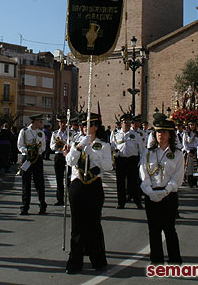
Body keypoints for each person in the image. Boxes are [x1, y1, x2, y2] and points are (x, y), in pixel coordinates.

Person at [64, 113, 112, 274]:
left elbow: (108, 166)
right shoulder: (76, 142)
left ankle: (98, 260)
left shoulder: (103, 145)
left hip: (93, 185)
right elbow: (70, 161)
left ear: (96, 127)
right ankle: (75, 262)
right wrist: (78, 148)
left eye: (89, 125)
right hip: (77, 185)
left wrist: (93, 154)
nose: (86, 128)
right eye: (84, 125)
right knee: (76, 226)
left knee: (93, 225)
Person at [139, 118, 184, 265]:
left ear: (170, 134)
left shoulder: (177, 154)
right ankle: (156, 260)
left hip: (169, 195)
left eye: (164, 131)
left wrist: (166, 191)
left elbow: (178, 177)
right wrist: (149, 191)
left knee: (169, 229)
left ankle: (174, 260)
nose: (160, 134)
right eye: (158, 131)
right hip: (151, 194)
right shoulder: (148, 153)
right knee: (154, 230)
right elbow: (143, 173)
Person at [17, 114, 47, 215]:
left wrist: (36, 150)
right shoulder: (24, 131)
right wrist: (28, 151)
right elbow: (20, 145)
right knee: (26, 183)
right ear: (34, 121)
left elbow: (43, 147)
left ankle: (42, 205)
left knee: (39, 182)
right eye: (39, 121)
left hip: (37, 159)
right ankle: (25, 206)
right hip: (27, 159)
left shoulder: (41, 133)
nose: (41, 123)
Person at [112, 113, 143, 209]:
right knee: (120, 182)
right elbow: (112, 146)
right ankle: (121, 202)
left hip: (132, 160)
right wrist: (114, 153)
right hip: (120, 160)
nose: (127, 124)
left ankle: (137, 201)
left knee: (134, 182)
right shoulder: (116, 134)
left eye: (129, 122)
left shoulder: (135, 135)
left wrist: (141, 162)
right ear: (121, 123)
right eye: (125, 122)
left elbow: (141, 149)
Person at [50, 115, 69, 206]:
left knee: (69, 178)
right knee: (59, 179)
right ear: (58, 123)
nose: (63, 124)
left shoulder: (70, 133)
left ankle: (70, 198)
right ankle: (60, 199)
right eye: (61, 123)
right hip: (58, 156)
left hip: (68, 156)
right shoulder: (55, 134)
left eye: (64, 122)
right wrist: (56, 146)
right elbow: (51, 146)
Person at [182, 121, 198, 187]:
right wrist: (188, 151)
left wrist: (197, 150)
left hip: (195, 150)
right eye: (190, 125)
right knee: (189, 168)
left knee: (195, 167)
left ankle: (195, 181)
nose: (192, 126)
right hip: (189, 151)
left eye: (193, 125)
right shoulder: (186, 134)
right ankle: (190, 182)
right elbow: (185, 143)